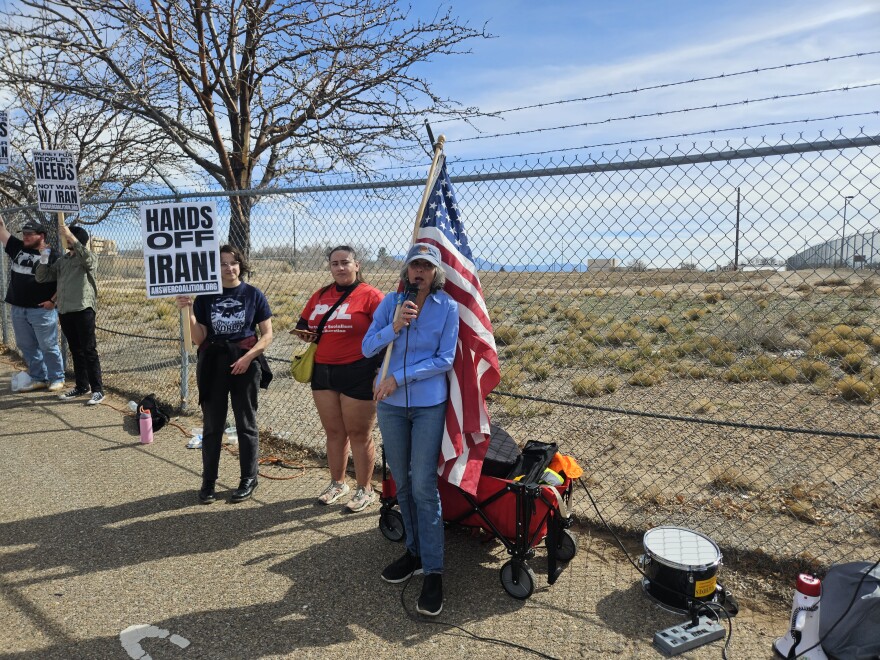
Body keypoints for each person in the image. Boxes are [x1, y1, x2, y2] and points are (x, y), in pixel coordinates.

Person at [362, 242, 459, 617]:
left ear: (436, 273)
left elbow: (444, 359)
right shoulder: (390, 304)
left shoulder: (447, 308)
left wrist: (399, 377)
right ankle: (414, 552)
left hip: (426, 405)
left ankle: (434, 570)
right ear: (406, 271)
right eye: (414, 266)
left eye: (426, 267)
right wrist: (394, 326)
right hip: (389, 407)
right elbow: (368, 347)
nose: (419, 272)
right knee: (400, 481)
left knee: (422, 485)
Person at [175, 245, 273, 504]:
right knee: (212, 425)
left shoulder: (253, 294)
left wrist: (248, 357)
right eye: (222, 263)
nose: (229, 268)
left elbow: (267, 335)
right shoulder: (205, 298)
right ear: (213, 269)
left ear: (240, 265)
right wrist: (188, 312)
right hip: (213, 363)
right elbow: (199, 339)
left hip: (245, 361)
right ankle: (208, 482)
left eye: (233, 262)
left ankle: (248, 479)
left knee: (246, 423)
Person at [294, 246, 384, 512]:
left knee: (359, 433)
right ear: (330, 267)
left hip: (359, 371)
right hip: (323, 372)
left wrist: (379, 370)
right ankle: (337, 483)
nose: (340, 268)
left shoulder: (371, 296)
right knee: (334, 433)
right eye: (335, 264)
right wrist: (305, 334)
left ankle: (365, 489)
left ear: (357, 265)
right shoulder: (320, 295)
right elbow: (305, 324)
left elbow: (387, 334)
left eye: (345, 262)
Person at [35, 223, 104, 404]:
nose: (65, 239)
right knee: (76, 350)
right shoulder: (63, 261)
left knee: (89, 350)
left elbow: (88, 259)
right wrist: (43, 255)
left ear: (76, 239)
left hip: (83, 310)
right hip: (65, 311)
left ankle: (98, 390)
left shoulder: (88, 258)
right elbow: (42, 277)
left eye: (68, 237)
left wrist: (70, 235)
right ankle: (82, 386)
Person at [0, 218, 65, 392]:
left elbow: (63, 281)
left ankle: (57, 377)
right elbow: (1, 229)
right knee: (25, 345)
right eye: (25, 234)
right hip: (18, 308)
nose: (26, 237)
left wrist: (53, 301)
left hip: (41, 310)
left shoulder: (53, 255)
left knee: (48, 345)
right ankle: (39, 377)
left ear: (41, 236)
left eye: (30, 234)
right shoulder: (17, 247)